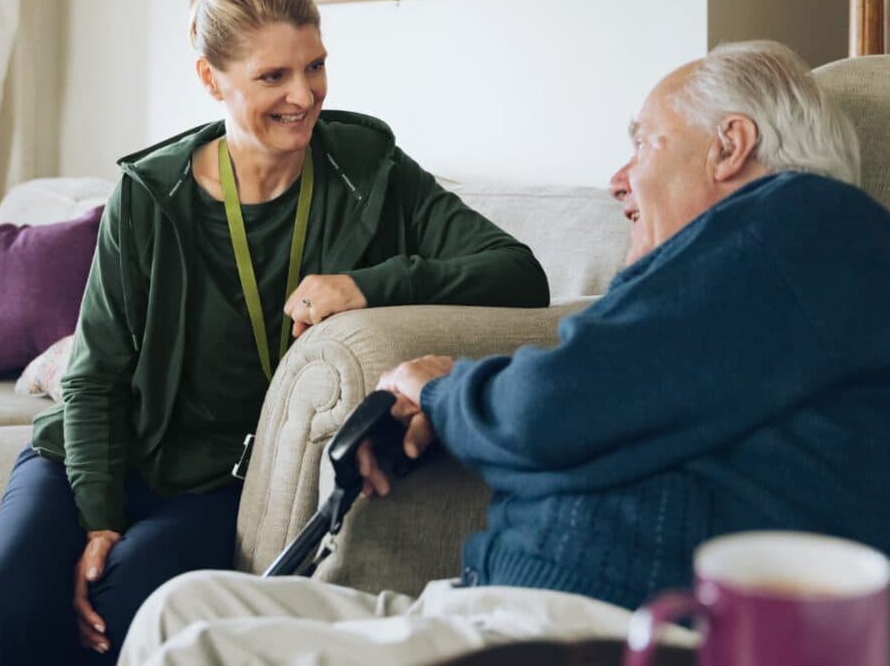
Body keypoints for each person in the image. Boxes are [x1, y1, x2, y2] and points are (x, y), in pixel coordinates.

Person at [118, 40, 890, 666]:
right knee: (180, 605)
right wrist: (459, 406)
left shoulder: (803, 225)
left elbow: (557, 405)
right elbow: (596, 394)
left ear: (731, 145)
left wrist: (444, 391)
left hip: (588, 624)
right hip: (491, 599)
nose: (619, 182)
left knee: (200, 650)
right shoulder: (729, 287)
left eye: (644, 143)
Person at [0, 0, 550, 665]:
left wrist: (365, 287)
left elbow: (517, 272)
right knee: (3, 608)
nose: (304, 96)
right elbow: (95, 374)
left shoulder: (370, 169)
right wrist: (98, 519)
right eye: (273, 76)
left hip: (220, 480)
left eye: (315, 66)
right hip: (103, 451)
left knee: (121, 611)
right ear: (212, 79)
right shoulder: (150, 195)